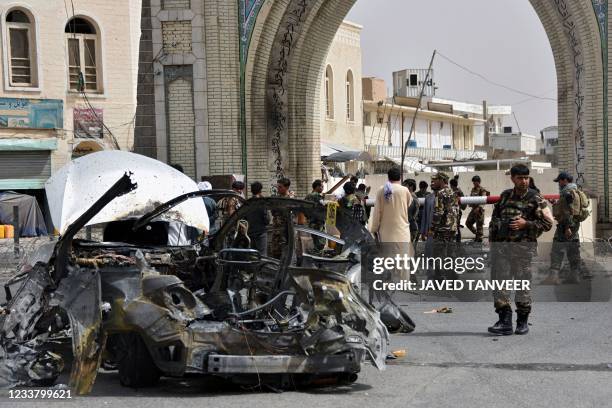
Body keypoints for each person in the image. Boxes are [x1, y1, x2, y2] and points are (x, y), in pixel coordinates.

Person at [488, 164, 553, 335]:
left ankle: (522, 322)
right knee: (499, 285)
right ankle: (504, 321)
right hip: (502, 250)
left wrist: (526, 224)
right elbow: (494, 220)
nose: (524, 181)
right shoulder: (505, 196)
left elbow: (548, 224)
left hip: (523, 252)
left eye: (526, 178)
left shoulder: (536, 198)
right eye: (520, 178)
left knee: (522, 286)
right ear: (513, 178)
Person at [542, 171, 590, 284]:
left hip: (566, 226)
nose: (559, 183)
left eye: (559, 181)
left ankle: (553, 277)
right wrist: (555, 203)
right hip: (574, 225)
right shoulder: (575, 191)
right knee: (573, 250)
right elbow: (566, 207)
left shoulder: (567, 192)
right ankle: (575, 276)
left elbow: (569, 211)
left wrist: (567, 227)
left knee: (557, 250)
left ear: (564, 180)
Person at [369, 167, 413, 283]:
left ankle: (388, 282)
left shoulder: (381, 190)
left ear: (388, 177)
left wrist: (374, 228)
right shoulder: (405, 191)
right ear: (400, 177)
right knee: (403, 258)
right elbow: (408, 204)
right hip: (402, 230)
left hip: (386, 231)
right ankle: (403, 282)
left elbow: (377, 212)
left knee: (387, 258)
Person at [426, 172, 459, 280]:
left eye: (436, 180)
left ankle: (439, 278)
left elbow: (438, 212)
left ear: (441, 180)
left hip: (442, 229)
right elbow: (456, 211)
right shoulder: (453, 192)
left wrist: (432, 228)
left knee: (438, 254)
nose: (434, 182)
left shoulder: (440, 193)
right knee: (451, 253)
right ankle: (453, 277)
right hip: (452, 228)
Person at [270, 178, 295, 259]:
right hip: (277, 229)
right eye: (278, 187)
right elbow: (273, 212)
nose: (278, 189)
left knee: (287, 252)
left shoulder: (291, 198)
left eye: (280, 187)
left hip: (288, 230)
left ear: (286, 187)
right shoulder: (276, 198)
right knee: (276, 251)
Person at [244, 181, 270, 256]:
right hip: (261, 232)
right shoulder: (262, 202)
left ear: (251, 191)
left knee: (253, 254)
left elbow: (244, 218)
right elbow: (267, 219)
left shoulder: (248, 202)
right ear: (260, 190)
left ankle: (253, 268)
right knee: (262, 255)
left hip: (250, 232)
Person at [465, 175, 490, 242]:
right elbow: (471, 198)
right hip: (473, 210)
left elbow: (483, 200)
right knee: (468, 223)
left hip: (479, 211)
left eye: (474, 182)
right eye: (473, 182)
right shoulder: (473, 189)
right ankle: (477, 234)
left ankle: (479, 241)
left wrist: (479, 207)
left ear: (478, 182)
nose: (473, 183)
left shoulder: (482, 189)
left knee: (479, 226)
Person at [304, 179, 326, 250]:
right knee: (321, 241)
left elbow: (304, 208)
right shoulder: (317, 196)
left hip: (311, 221)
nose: (323, 188)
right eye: (322, 186)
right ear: (317, 187)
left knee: (315, 239)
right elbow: (323, 207)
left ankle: (316, 252)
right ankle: (318, 256)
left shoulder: (308, 196)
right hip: (318, 222)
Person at [449, 177, 466, 243]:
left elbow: (463, 202)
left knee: (456, 226)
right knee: (455, 226)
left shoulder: (458, 192)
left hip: (457, 211)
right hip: (455, 211)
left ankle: (457, 241)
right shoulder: (456, 191)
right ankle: (456, 240)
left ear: (451, 185)